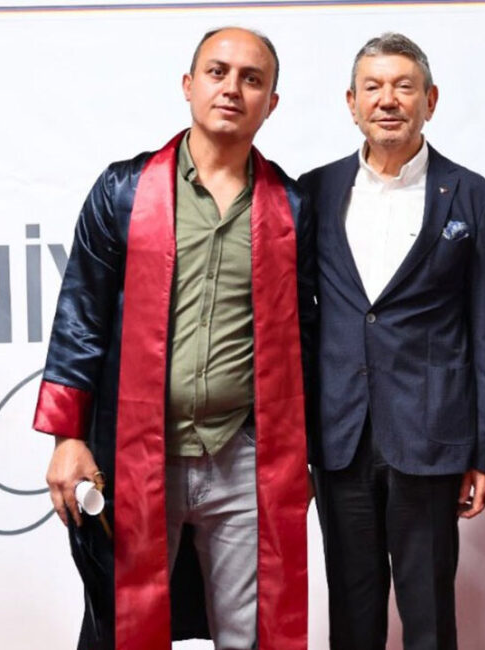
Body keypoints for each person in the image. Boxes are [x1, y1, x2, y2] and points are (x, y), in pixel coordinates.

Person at [34, 27, 316, 650]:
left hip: (244, 457)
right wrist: (67, 437)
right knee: (128, 625)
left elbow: (309, 340)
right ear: (189, 86)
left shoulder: (293, 207)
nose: (232, 88)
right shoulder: (125, 191)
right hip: (137, 452)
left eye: (251, 79)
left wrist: (310, 457)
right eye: (217, 72)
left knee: (254, 634)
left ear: (271, 103)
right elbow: (81, 314)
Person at [298, 32, 485, 650]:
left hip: (432, 435)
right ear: (352, 103)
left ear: (430, 100)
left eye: (403, 86)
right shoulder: (314, 191)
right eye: (373, 87)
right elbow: (298, 321)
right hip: (340, 438)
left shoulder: (472, 195)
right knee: (351, 615)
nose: (387, 100)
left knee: (430, 616)